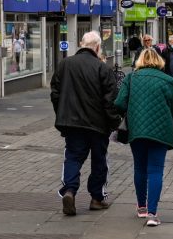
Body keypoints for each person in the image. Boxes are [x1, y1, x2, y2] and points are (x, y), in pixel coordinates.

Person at [51, 31, 119, 216]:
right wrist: (114, 123)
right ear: (97, 47)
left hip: (72, 123)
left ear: (81, 44)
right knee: (99, 160)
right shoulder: (102, 68)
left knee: (72, 157)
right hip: (98, 125)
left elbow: (55, 93)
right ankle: (97, 198)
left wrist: (61, 115)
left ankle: (70, 191)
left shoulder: (65, 64)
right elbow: (110, 100)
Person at [115, 49, 173, 227]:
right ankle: (152, 214)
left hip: (137, 130)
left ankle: (142, 208)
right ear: (159, 61)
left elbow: (119, 103)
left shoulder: (131, 78)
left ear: (139, 61)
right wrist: (171, 128)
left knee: (140, 168)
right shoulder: (167, 81)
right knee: (156, 170)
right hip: (161, 132)